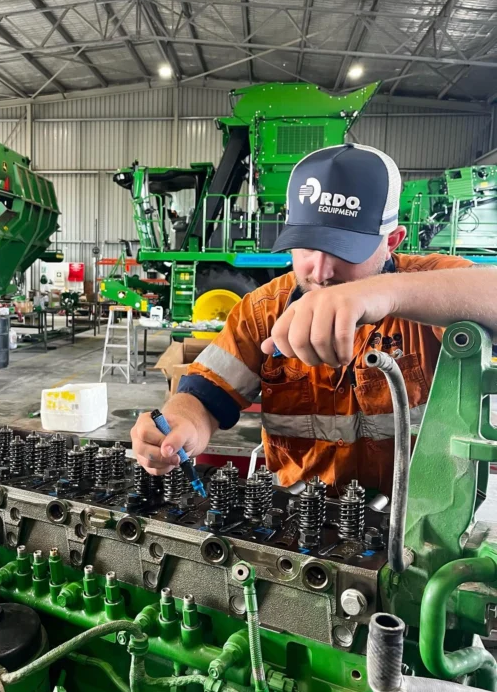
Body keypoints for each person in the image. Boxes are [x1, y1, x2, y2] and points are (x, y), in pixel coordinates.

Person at [131, 144, 497, 493]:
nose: (320, 271)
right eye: (306, 246)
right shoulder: (263, 311)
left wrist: (382, 293)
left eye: (344, 249)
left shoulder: (435, 286)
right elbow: (205, 398)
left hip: (420, 529)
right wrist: (182, 423)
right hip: (298, 523)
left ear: (393, 241)